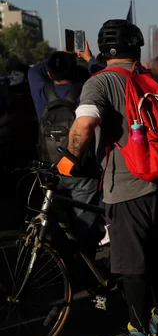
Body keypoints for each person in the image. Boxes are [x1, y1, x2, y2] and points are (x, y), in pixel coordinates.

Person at [58, 19, 158, 336]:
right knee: (157, 260)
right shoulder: (148, 78)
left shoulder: (100, 82)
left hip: (126, 186)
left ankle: (138, 335)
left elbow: (84, 124)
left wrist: (68, 160)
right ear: (136, 47)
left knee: (130, 266)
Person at [28, 52, 105, 265]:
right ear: (75, 70)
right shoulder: (87, 90)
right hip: (82, 166)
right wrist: (87, 59)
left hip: (50, 166)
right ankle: (84, 265)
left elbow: (34, 70)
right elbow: (103, 73)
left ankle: (60, 264)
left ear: (50, 72)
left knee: (54, 217)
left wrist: (55, 59)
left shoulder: (41, 91)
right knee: (85, 221)